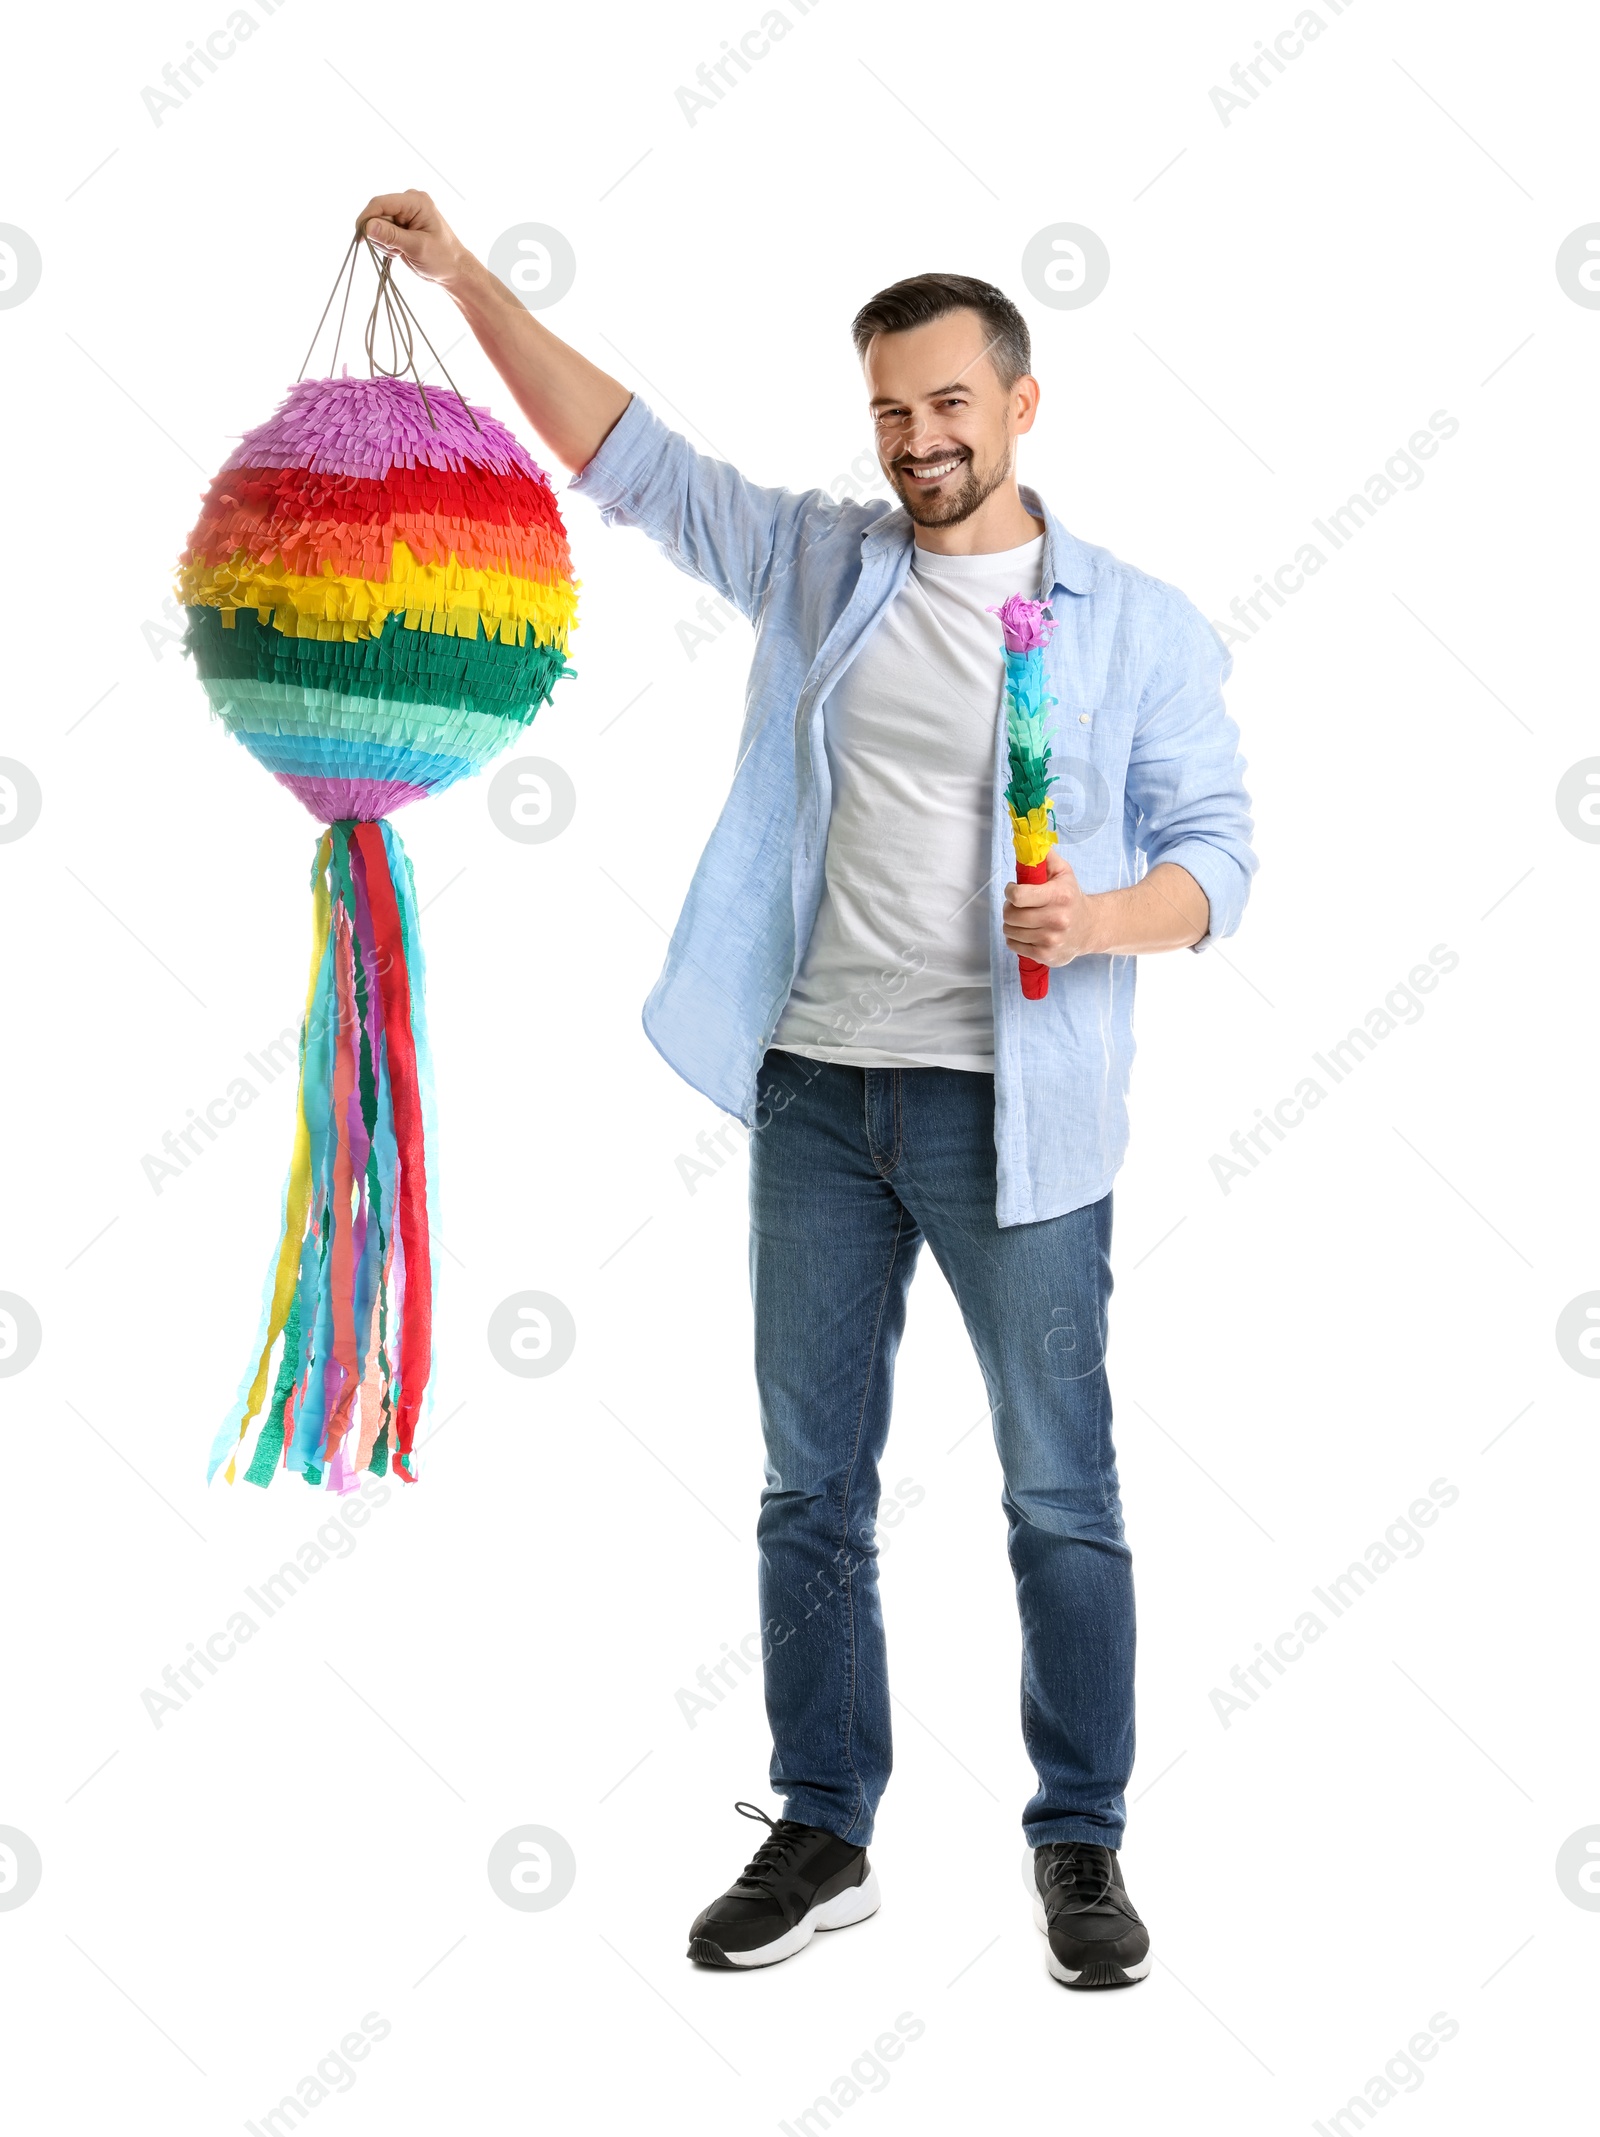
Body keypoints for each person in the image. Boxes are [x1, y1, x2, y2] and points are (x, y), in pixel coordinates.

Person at [357, 190, 1258, 1989]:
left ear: (1019, 405)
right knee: (808, 1487)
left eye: (948, 405)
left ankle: (1080, 1844)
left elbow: (1221, 865)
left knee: (1059, 1487)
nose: (919, 441)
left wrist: (1098, 914)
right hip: (818, 1099)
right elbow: (631, 457)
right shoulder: (824, 564)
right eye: (890, 414)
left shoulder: (1135, 626)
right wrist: (466, 283)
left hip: (1020, 1113)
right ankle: (825, 1822)